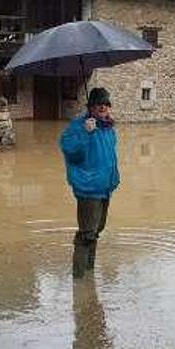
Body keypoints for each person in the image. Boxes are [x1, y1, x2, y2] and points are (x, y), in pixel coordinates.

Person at [59, 87, 120, 278]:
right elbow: (70, 151)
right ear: (91, 107)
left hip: (105, 187)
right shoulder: (79, 126)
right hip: (88, 188)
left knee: (96, 231)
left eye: (105, 104)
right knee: (86, 234)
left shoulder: (108, 127)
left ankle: (89, 273)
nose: (102, 107)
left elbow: (110, 157)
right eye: (98, 104)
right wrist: (86, 133)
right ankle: (79, 280)